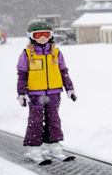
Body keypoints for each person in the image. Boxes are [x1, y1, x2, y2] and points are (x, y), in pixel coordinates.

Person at [17, 20, 78, 163]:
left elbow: (63, 72)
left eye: (46, 34)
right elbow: (22, 75)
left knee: (54, 119)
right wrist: (21, 93)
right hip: (35, 94)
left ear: (51, 36)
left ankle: (54, 144)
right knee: (36, 120)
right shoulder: (27, 54)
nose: (43, 38)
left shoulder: (56, 53)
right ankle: (34, 147)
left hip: (54, 93)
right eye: (38, 35)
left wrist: (69, 88)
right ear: (31, 37)